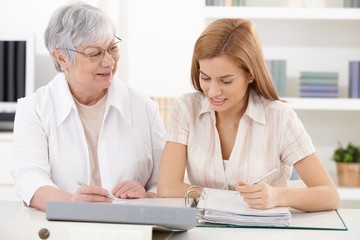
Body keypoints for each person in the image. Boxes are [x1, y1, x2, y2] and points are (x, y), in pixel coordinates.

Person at [157, 18, 339, 212]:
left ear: (250, 74)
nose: (212, 91)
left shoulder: (280, 118)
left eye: (226, 81)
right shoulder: (186, 108)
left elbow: (329, 195)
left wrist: (278, 196)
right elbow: (167, 188)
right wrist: (228, 200)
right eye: (205, 77)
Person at [12, 2, 165, 212]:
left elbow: (165, 181)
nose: (109, 61)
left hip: (130, 227)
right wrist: (70, 204)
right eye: (95, 53)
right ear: (62, 57)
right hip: (63, 229)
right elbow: (29, 178)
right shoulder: (34, 109)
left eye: (112, 48)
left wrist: (148, 195)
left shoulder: (145, 108)